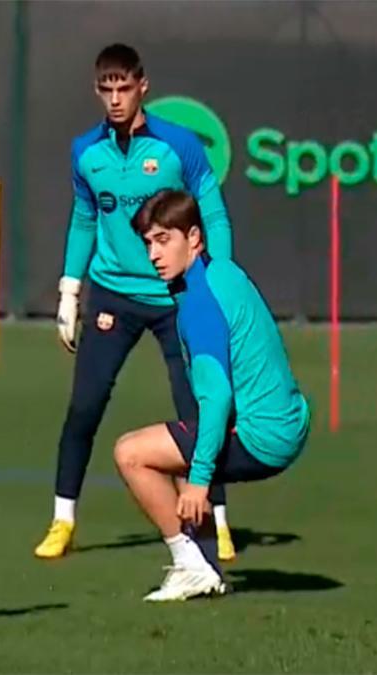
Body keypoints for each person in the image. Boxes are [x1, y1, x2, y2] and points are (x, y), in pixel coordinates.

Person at [35, 43, 237, 562]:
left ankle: (216, 518)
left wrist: (221, 280)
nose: (116, 98)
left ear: (143, 86)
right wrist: (68, 290)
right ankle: (63, 519)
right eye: (107, 89)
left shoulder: (178, 145)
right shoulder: (87, 151)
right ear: (97, 91)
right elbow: (84, 219)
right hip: (112, 295)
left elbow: (212, 211)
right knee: (84, 406)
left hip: (176, 298)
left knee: (197, 406)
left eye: (124, 88)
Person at [115, 189, 309, 602]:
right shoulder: (222, 272)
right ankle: (207, 572)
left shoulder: (199, 303)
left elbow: (217, 396)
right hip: (288, 421)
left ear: (195, 239)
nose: (153, 254)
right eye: (148, 242)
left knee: (131, 453)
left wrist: (200, 482)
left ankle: (189, 564)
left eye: (164, 239)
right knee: (185, 446)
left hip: (264, 437)